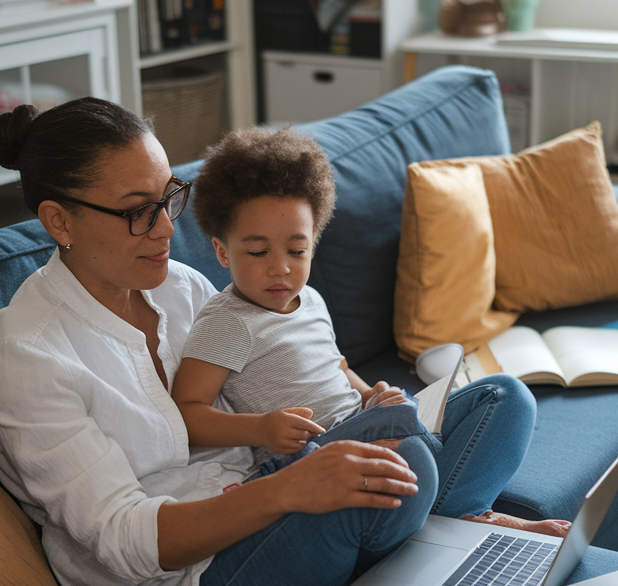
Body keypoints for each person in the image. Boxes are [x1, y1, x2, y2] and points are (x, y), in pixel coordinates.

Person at [0, 98, 566, 586]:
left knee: (491, 402)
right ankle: (452, 532)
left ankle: (457, 532)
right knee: (402, 459)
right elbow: (125, 543)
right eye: (137, 212)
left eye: (168, 197)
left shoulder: (180, 287)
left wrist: (347, 423)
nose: (165, 228)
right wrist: (289, 489)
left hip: (274, 492)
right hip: (183, 585)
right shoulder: (31, 357)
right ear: (59, 221)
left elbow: (280, 374)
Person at [171, 127, 433, 477]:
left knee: (502, 395)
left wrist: (370, 394)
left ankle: (459, 505)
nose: (280, 267)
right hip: (307, 458)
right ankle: (456, 498)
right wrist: (261, 428)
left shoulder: (310, 299)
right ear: (223, 252)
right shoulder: (227, 322)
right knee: (410, 434)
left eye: (297, 251)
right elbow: (187, 413)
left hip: (366, 426)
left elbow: (335, 366)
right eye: (258, 252)